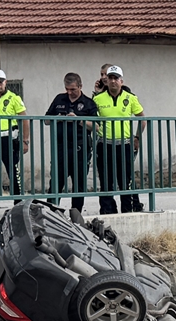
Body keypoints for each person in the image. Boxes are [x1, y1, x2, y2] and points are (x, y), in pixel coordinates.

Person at [92, 65, 146, 214]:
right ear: (106, 80)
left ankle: (127, 212)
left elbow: (142, 118)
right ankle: (107, 212)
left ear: (121, 81)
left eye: (116, 78)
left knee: (125, 181)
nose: (113, 81)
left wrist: (137, 138)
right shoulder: (98, 99)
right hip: (105, 145)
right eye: (110, 78)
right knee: (106, 182)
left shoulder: (130, 98)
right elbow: (92, 120)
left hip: (124, 145)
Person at [45, 73, 96, 212]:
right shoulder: (59, 99)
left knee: (79, 184)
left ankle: (76, 214)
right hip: (61, 147)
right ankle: (51, 213)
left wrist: (79, 120)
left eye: (73, 89)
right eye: (67, 89)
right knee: (56, 182)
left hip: (80, 147)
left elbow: (96, 126)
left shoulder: (88, 103)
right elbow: (46, 120)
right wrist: (58, 118)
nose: (69, 92)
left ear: (80, 86)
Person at [0, 69, 29, 201]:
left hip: (9, 139)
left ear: (5, 82)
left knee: (14, 171)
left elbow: (24, 120)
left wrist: (25, 140)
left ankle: (18, 202)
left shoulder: (14, 98)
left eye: (0, 82)